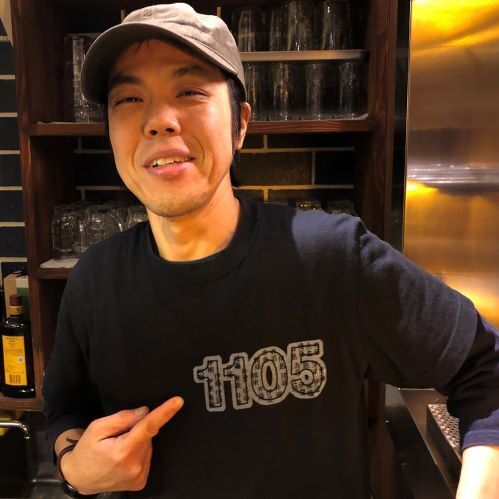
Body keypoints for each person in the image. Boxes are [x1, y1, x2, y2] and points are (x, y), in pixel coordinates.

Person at [43, 3, 499, 498]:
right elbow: (67, 413)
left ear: (240, 124)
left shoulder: (331, 258)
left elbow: (485, 368)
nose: (158, 121)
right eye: (129, 99)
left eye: (189, 92)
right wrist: (74, 469)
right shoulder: (94, 281)